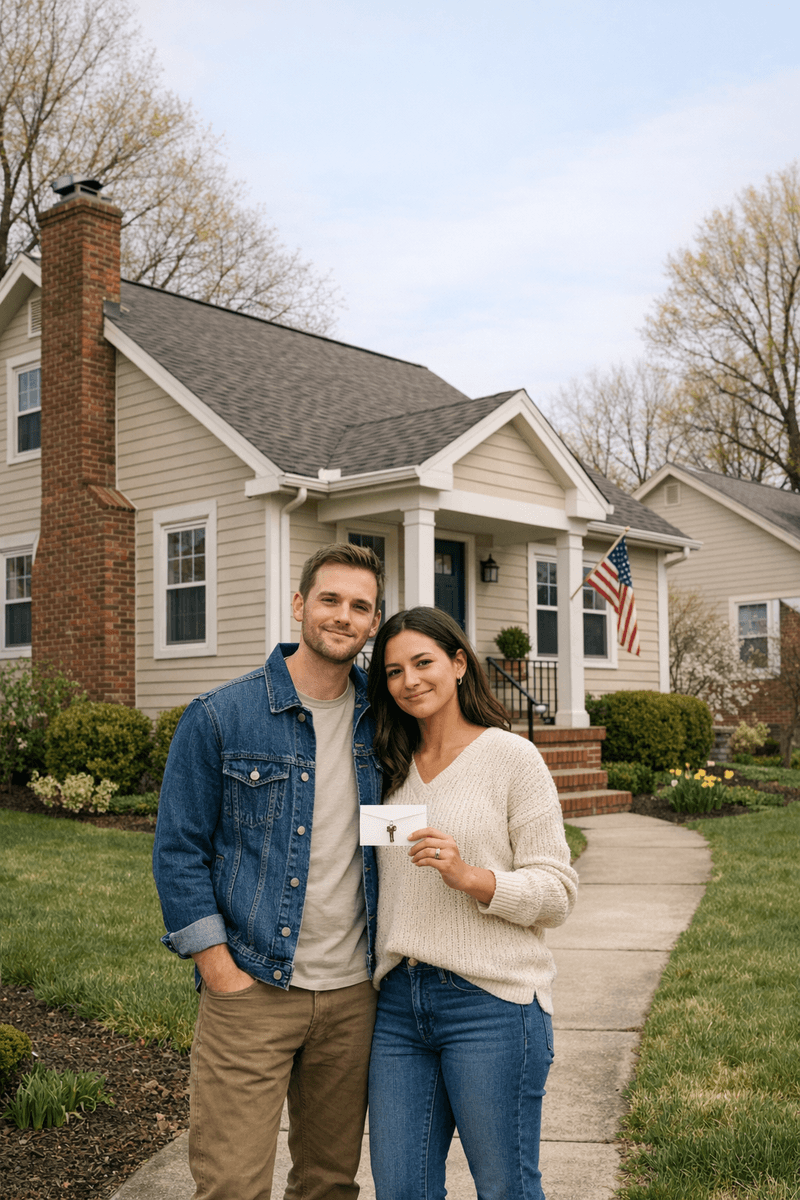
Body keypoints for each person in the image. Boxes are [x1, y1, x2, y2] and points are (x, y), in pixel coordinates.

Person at [153, 543, 385, 1200]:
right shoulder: (222, 715)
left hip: (353, 998)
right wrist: (219, 972)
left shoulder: (388, 723)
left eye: (360, 606)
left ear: (373, 623)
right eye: (330, 599)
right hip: (251, 988)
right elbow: (178, 853)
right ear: (299, 605)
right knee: (231, 1186)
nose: (343, 616)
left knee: (329, 1184)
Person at [365, 607, 578, 1200]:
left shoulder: (512, 758)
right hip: (399, 1008)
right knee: (402, 1189)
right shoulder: (386, 767)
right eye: (393, 671)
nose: (409, 680)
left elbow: (557, 892)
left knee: (505, 1187)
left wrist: (472, 878)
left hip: (493, 1003)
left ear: (459, 664)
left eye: (423, 662)